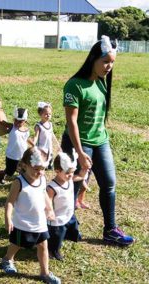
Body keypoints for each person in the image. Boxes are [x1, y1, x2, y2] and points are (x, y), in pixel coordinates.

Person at [61, 35, 134, 246]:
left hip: (100, 142)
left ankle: (110, 230)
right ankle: (65, 225)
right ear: (93, 59)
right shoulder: (75, 85)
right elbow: (71, 122)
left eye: (112, 62)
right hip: (78, 144)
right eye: (105, 61)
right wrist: (81, 153)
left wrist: (99, 138)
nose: (109, 66)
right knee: (71, 187)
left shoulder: (101, 83)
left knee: (109, 184)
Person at [1, 147, 60, 284]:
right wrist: (8, 218)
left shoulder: (42, 179)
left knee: (43, 246)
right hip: (23, 222)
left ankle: (44, 273)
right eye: (36, 168)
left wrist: (49, 209)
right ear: (25, 165)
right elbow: (9, 202)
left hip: (40, 222)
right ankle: (7, 259)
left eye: (42, 169)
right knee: (16, 244)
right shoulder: (19, 182)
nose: (39, 172)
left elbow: (44, 193)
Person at [47, 151, 87, 261]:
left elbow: (78, 177)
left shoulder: (69, 179)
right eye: (67, 173)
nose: (71, 175)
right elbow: (48, 200)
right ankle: (52, 250)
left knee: (73, 228)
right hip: (57, 219)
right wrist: (49, 211)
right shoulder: (52, 187)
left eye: (72, 172)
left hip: (69, 214)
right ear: (57, 171)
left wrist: (83, 172)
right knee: (56, 237)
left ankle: (70, 235)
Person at [0, 106, 32, 184]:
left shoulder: (27, 131)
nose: (17, 123)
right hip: (11, 156)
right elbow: (1, 121)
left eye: (20, 121)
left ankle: (22, 183)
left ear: (25, 121)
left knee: (23, 171)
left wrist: (33, 144)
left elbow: (26, 139)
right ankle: (2, 173)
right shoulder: (11, 127)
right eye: (15, 120)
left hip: (22, 156)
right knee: (10, 172)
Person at [32, 102, 61, 169]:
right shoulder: (38, 126)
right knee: (41, 163)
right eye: (46, 114)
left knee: (49, 158)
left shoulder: (50, 124)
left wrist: (57, 144)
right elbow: (36, 136)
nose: (48, 115)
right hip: (41, 148)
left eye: (49, 114)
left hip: (49, 148)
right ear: (40, 114)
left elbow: (52, 134)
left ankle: (49, 165)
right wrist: (33, 143)